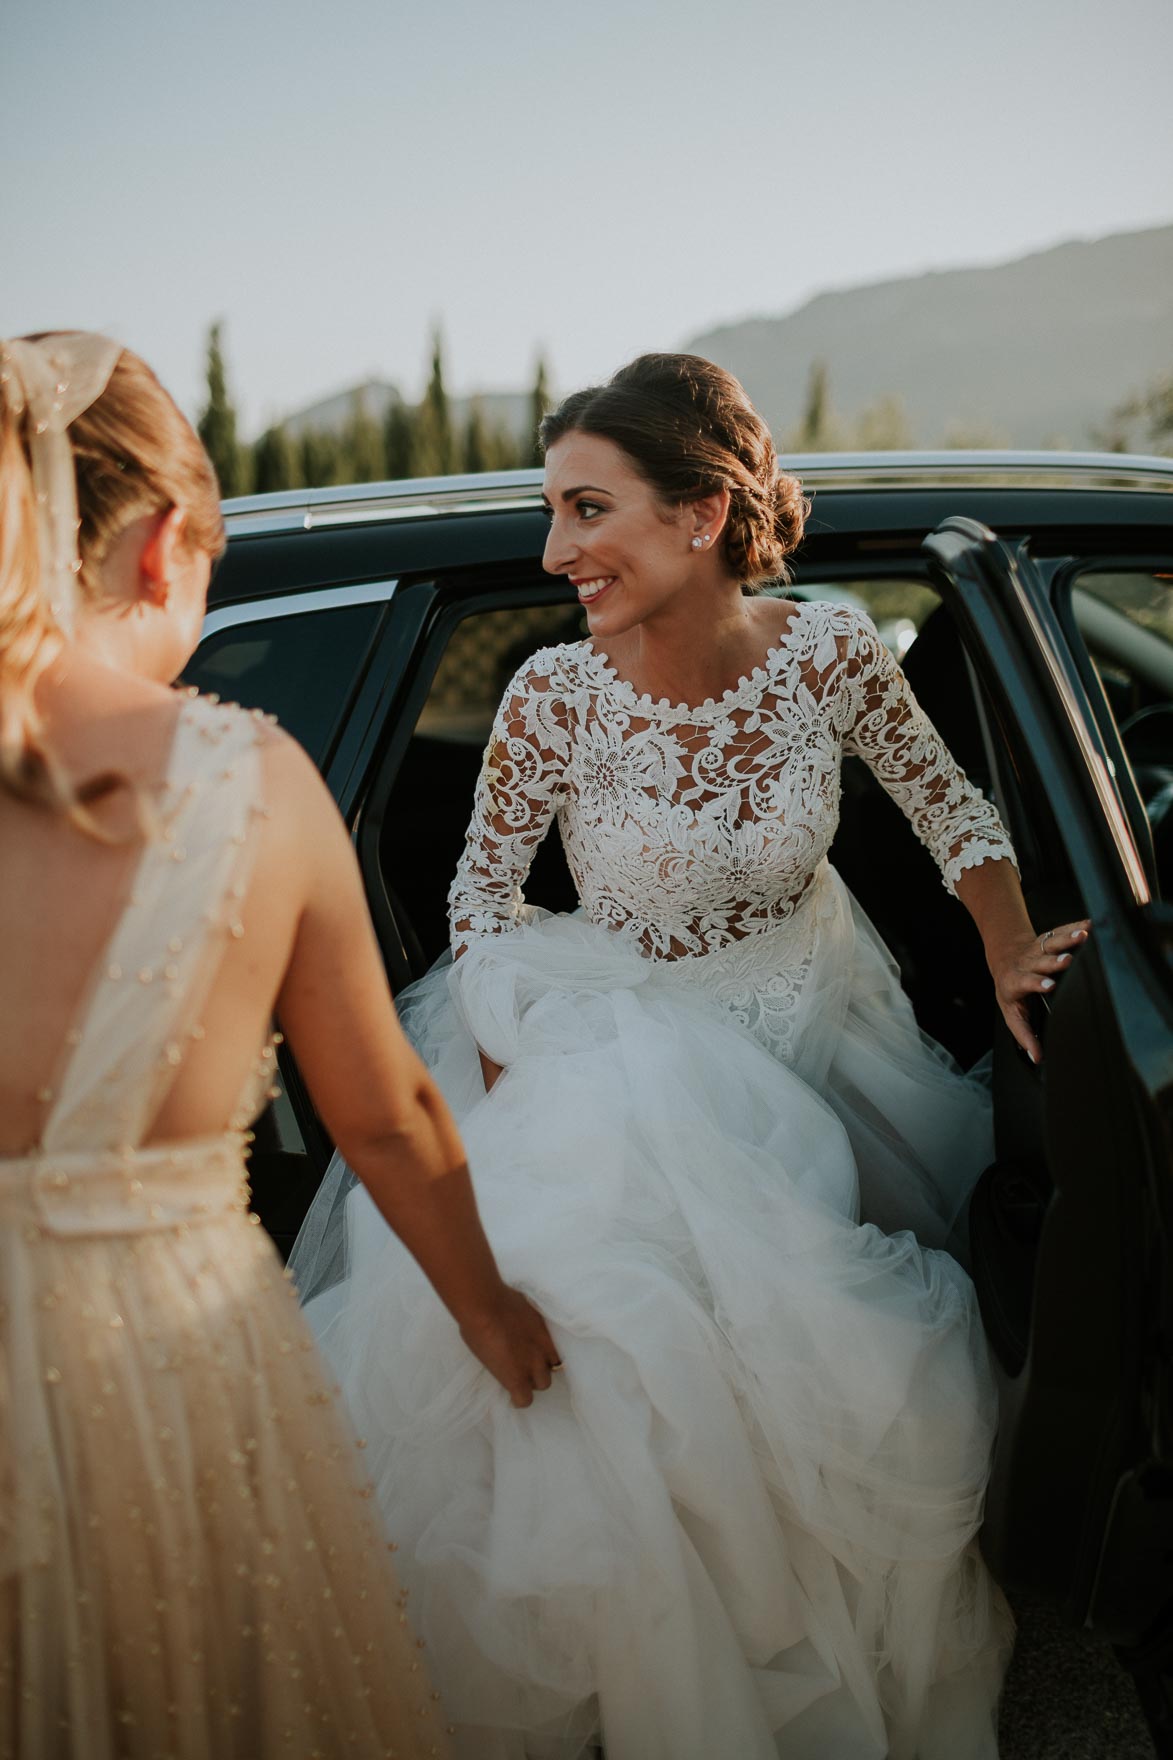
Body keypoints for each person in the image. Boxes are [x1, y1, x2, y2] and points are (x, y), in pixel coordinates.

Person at [291, 354, 1089, 1760]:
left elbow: (950, 815)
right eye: (552, 514)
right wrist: (514, 1072)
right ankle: (678, 1668)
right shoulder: (550, 692)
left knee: (827, 1348)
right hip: (617, 1034)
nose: (553, 553)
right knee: (642, 1337)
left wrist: (1008, 948)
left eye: (586, 509)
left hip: (811, 1015)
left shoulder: (832, 651)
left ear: (702, 514)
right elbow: (482, 899)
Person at [0, 331, 560, 1760]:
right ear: (167, 546)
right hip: (153, 1376)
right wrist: (493, 1318)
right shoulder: (244, 780)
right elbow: (389, 1121)